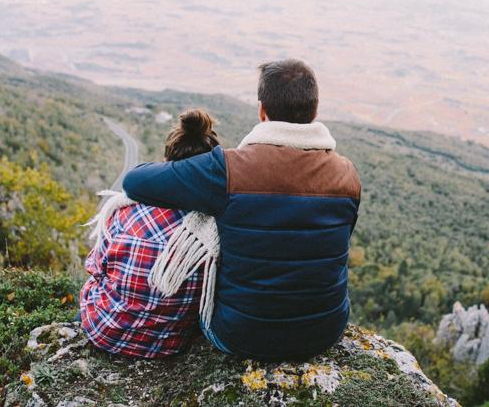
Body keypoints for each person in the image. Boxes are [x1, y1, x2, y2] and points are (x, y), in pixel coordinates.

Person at [123, 59, 361, 361]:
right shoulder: (348, 175)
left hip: (240, 336)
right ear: (314, 111)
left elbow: (135, 182)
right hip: (324, 332)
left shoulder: (228, 170)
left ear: (262, 111)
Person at [79, 109, 219, 358]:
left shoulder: (126, 212)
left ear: (166, 164)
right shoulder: (214, 231)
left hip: (106, 333)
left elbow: (96, 267)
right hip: (169, 343)